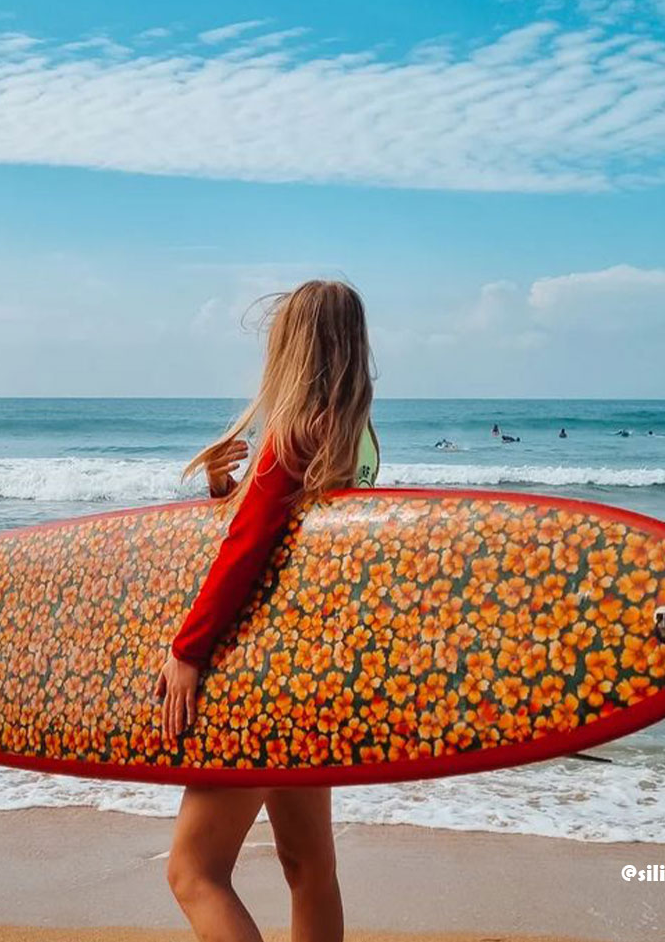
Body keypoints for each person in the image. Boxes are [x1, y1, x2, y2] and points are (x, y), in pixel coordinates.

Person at [155, 280, 378, 942]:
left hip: (264, 677)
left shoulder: (289, 434)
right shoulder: (358, 439)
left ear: (294, 346)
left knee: (193, 871)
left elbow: (247, 554)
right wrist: (231, 490)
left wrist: (187, 650)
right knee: (309, 867)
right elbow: (296, 544)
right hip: (317, 672)